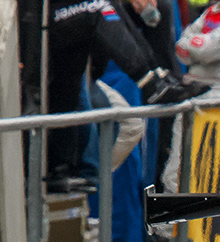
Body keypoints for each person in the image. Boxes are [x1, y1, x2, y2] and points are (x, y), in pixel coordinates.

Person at [40, 0, 207, 191]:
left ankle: (160, 77)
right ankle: (149, 82)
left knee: (155, 6)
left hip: (67, 25)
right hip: (39, 18)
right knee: (99, 7)